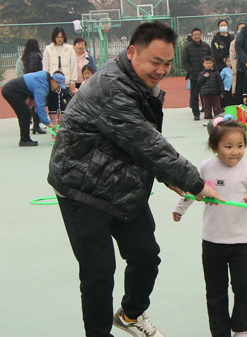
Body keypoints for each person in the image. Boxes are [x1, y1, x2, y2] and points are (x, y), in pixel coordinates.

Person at [47, 22, 223, 337]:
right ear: (132, 53)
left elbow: (142, 142)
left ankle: (130, 314)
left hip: (121, 183)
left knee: (145, 256)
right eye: (155, 62)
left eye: (168, 64)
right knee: (99, 273)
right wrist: (195, 183)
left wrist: (168, 177)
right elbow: (145, 141)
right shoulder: (111, 87)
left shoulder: (142, 83)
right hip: (81, 187)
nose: (161, 70)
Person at [172, 120, 247, 337]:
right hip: (212, 241)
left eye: (240, 146)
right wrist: (180, 207)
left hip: (241, 242)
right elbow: (197, 189)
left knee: (244, 287)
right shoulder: (207, 167)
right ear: (215, 147)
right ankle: (220, 332)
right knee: (216, 292)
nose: (235, 152)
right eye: (228, 146)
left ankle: (242, 329)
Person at [1, 70, 61, 146]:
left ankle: (25, 139)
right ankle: (24, 140)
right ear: (54, 81)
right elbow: (40, 107)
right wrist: (48, 123)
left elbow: (33, 100)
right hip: (10, 91)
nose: (57, 89)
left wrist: (28, 107)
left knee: (25, 113)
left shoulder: (43, 81)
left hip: (12, 90)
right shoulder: (42, 86)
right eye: (58, 86)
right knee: (24, 113)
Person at [182, 27, 212, 120]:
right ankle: (196, 113)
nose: (197, 36)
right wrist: (191, 71)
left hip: (206, 75)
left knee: (206, 95)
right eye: (195, 35)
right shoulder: (187, 47)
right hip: (194, 76)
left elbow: (211, 58)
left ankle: (207, 112)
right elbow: (184, 61)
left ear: (201, 35)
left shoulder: (206, 46)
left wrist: (209, 69)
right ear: (192, 36)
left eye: (199, 34)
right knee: (194, 95)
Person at [42, 27, 77, 96]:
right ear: (54, 37)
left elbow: (73, 65)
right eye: (57, 37)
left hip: (66, 83)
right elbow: (45, 67)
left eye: (61, 37)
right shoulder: (48, 49)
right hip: (53, 83)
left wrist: (73, 81)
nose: (59, 39)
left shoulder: (70, 49)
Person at [21, 39, 45, 134]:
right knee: (36, 102)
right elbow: (32, 68)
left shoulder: (27, 55)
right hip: (34, 83)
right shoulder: (34, 55)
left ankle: (32, 123)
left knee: (31, 103)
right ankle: (36, 124)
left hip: (27, 81)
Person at [199, 55, 225, 126]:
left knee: (217, 107)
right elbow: (199, 82)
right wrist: (204, 77)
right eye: (206, 63)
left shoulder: (216, 73)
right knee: (207, 107)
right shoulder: (202, 74)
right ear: (203, 64)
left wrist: (221, 92)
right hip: (206, 94)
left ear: (212, 63)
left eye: (209, 63)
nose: (208, 65)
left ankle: (217, 119)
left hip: (215, 93)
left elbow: (220, 83)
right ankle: (208, 119)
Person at [46, 70, 68, 142]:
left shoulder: (61, 90)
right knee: (54, 124)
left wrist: (71, 93)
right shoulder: (50, 90)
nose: (59, 87)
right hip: (53, 110)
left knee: (61, 124)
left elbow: (65, 95)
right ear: (54, 82)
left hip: (61, 110)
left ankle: (61, 137)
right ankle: (54, 138)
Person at [230, 22, 246, 105]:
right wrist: (237, 67)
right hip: (238, 69)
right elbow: (232, 57)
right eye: (240, 29)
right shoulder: (233, 43)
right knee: (238, 90)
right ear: (237, 30)